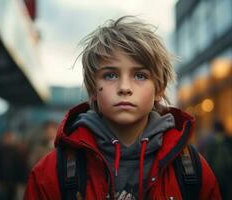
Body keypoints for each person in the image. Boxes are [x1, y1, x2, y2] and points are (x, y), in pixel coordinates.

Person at [24, 16, 220, 199]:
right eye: (110, 75)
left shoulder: (190, 168)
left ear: (159, 89)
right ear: (93, 89)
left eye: (140, 75)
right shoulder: (51, 173)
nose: (124, 88)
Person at [203, 121, 232, 200]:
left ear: (215, 129)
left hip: (215, 173)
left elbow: (207, 158)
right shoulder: (230, 140)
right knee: (229, 195)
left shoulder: (210, 142)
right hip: (228, 174)